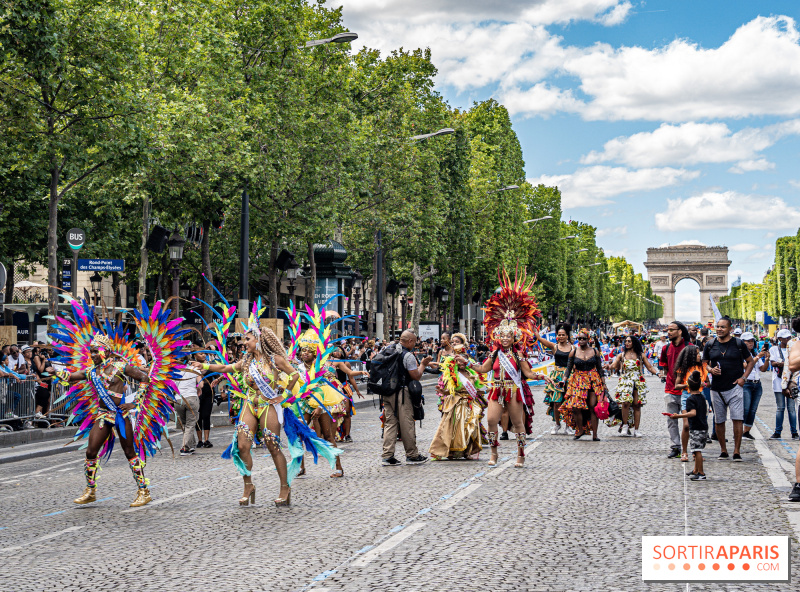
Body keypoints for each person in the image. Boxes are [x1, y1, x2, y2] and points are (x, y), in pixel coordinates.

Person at [50, 299, 187, 508]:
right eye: (92, 351)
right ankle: (90, 490)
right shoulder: (91, 371)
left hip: (122, 415)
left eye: (97, 351)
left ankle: (144, 491)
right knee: (90, 452)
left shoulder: (120, 366)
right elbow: (71, 376)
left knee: (129, 452)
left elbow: (145, 378)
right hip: (103, 415)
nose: (93, 355)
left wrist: (135, 403)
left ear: (106, 351)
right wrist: (55, 372)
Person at [461, 269, 553, 467]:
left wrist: (543, 377)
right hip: (496, 390)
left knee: (518, 424)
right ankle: (494, 454)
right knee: (492, 421)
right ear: (497, 337)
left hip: (513, 391)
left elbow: (527, 373)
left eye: (508, 336)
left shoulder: (518, 355)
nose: (504, 338)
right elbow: (483, 369)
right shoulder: (494, 354)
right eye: (501, 336)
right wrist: (466, 363)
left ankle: (520, 455)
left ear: (513, 338)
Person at [703, 316, 756, 462]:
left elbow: (750, 361)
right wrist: (710, 370)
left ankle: (737, 451)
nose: (719, 329)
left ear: (730, 329)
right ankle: (723, 450)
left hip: (735, 387)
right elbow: (703, 363)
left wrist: (743, 379)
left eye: (723, 327)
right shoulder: (710, 344)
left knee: (737, 419)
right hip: (716, 388)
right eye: (718, 326)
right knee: (719, 420)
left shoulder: (739, 344)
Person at [382, 330, 431, 466]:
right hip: (401, 393)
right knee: (406, 423)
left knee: (390, 423)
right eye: (415, 342)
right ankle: (412, 455)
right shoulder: (407, 355)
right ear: (410, 341)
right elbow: (416, 376)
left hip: (386, 391)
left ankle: (387, 456)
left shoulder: (387, 350)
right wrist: (423, 364)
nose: (415, 345)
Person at [428, 345, 487, 460]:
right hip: (456, 404)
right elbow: (448, 391)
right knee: (451, 429)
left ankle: (468, 451)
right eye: (458, 362)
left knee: (471, 427)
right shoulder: (451, 375)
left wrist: (489, 389)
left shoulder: (472, 374)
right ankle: (449, 452)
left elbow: (478, 390)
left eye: (463, 361)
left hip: (470, 404)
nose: (461, 364)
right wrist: (442, 391)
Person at [560, 328, 609, 441]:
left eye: (583, 338)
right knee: (576, 407)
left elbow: (600, 368)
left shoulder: (595, 351)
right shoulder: (574, 352)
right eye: (579, 338)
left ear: (588, 339)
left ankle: (595, 434)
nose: (581, 340)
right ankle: (580, 429)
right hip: (578, 380)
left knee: (593, 407)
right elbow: (568, 368)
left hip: (593, 380)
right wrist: (564, 379)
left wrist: (604, 383)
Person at [608, 335, 658, 437]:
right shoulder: (621, 355)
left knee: (637, 405)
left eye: (629, 341)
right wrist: (609, 366)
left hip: (637, 381)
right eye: (626, 341)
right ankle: (625, 426)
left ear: (634, 342)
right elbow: (614, 365)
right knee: (625, 403)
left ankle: (636, 429)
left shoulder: (640, 355)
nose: (626, 343)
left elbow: (649, 366)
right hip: (626, 381)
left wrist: (658, 373)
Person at [534, 323, 573, 435]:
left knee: (568, 402)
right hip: (556, 377)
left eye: (563, 335)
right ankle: (557, 424)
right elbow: (540, 339)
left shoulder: (573, 348)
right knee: (556, 402)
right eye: (559, 335)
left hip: (569, 376)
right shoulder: (554, 346)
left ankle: (568, 426)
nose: (561, 337)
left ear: (567, 336)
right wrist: (533, 329)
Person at [670, 370, 708, 481]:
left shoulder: (690, 399)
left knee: (697, 451)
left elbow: (693, 413)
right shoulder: (701, 397)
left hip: (696, 427)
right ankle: (696, 470)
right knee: (696, 450)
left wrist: (678, 416)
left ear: (688, 387)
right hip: (703, 427)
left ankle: (701, 473)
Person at [673, 345, 707, 461]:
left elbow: (708, 382)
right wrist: (689, 384)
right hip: (686, 396)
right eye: (697, 354)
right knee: (687, 425)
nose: (699, 356)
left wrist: (704, 384)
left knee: (698, 425)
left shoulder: (702, 367)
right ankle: (684, 451)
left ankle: (696, 452)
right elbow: (676, 386)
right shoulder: (682, 369)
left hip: (699, 395)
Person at [662, 321, 689, 458]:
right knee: (671, 420)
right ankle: (675, 446)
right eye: (668, 330)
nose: (669, 332)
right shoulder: (665, 348)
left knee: (687, 423)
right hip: (670, 389)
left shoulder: (690, 347)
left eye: (672, 330)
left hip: (687, 390)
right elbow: (665, 367)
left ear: (680, 331)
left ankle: (687, 447)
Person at [769, 329, 798, 440]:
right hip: (778, 382)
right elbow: (772, 362)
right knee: (780, 408)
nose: (787, 340)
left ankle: (794, 432)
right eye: (785, 338)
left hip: (791, 382)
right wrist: (781, 363)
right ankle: (777, 431)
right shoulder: (774, 349)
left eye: (788, 337)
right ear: (779, 339)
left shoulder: (793, 348)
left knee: (791, 408)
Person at [740, 332, 770, 440]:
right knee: (746, 408)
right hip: (746, 383)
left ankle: (746, 432)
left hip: (757, 383)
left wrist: (766, 359)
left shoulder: (754, 353)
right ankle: (739, 431)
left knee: (753, 409)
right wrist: (758, 357)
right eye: (748, 341)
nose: (750, 343)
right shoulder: (740, 354)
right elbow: (745, 366)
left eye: (752, 341)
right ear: (742, 342)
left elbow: (763, 369)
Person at [175, 356, 201, 456]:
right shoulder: (194, 369)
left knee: (186, 424)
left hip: (178, 399)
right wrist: (197, 388)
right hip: (191, 398)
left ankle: (191, 445)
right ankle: (185, 447)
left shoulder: (175, 371)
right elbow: (201, 384)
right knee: (190, 424)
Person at [194, 349, 215, 449]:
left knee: (206, 415)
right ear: (195, 356)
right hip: (197, 392)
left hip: (208, 391)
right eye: (200, 353)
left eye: (204, 354)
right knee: (198, 416)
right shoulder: (192, 367)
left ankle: (206, 439)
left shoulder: (210, 365)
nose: (203, 355)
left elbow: (218, 376)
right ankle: (199, 440)